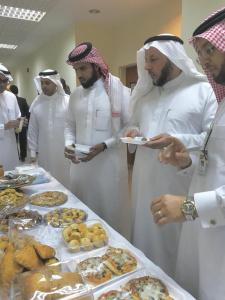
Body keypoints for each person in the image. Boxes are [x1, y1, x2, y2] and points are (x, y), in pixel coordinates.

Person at [125, 34, 217, 276]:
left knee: (175, 253)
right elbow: (131, 128)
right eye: (146, 60)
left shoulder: (203, 91)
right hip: (143, 185)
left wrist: (178, 142)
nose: (146, 67)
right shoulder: (145, 97)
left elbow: (212, 140)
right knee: (144, 241)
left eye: (153, 59)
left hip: (180, 187)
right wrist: (133, 133)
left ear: (174, 59)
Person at [150, 7, 225, 299]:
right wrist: (188, 161)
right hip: (205, 226)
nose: (204, 59)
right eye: (201, 51)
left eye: (211, 49)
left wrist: (189, 207)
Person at [64, 42, 131, 239]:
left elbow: (129, 127)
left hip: (107, 170)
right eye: (76, 69)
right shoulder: (75, 95)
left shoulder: (117, 91)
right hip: (80, 168)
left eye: (83, 68)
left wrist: (104, 145)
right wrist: (68, 144)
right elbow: (69, 125)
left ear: (96, 65)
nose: (79, 74)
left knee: (108, 216)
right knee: (81, 216)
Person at [28, 69, 70, 186]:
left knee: (66, 181)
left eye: (47, 83)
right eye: (42, 83)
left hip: (64, 152)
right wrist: (32, 154)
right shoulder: (37, 103)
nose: (44, 86)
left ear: (55, 83)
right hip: (44, 151)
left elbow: (73, 127)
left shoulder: (67, 101)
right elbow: (33, 130)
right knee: (46, 182)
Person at [0, 64, 21, 170]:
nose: (2, 84)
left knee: (11, 177)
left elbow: (18, 115)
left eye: (5, 81)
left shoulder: (12, 97)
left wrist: (20, 123)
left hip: (11, 145)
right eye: (0, 80)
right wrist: (4, 126)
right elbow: (6, 125)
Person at [9, 84, 29, 162]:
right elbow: (27, 112)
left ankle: (17, 155)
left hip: (14, 123)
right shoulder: (23, 100)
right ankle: (23, 156)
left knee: (14, 140)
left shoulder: (10, 100)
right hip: (22, 123)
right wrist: (26, 120)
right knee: (22, 140)